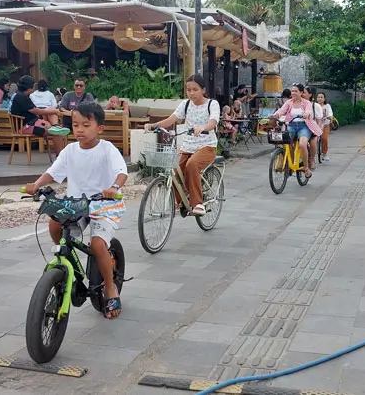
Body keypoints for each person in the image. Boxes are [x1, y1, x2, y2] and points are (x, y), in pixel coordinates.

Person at [24, 102, 127, 319]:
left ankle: (110, 287)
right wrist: (36, 184)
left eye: (86, 125)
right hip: (77, 205)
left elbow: (121, 172)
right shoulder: (70, 151)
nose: (79, 130)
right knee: (54, 225)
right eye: (76, 125)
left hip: (104, 204)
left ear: (100, 128)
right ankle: (66, 260)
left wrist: (114, 188)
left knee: (97, 244)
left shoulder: (107, 149)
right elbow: (52, 173)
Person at [145, 74, 219, 216]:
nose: (191, 93)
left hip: (207, 146)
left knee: (192, 165)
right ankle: (179, 201)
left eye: (195, 89)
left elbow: (213, 122)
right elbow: (171, 120)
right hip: (188, 146)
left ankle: (197, 203)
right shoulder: (185, 104)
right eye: (188, 89)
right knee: (175, 169)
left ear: (203, 90)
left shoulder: (212, 104)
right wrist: (154, 126)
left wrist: (204, 128)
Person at [269, 84, 322, 178]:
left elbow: (309, 111)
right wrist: (275, 115)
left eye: (295, 91)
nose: (293, 93)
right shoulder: (289, 102)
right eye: (292, 91)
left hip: (304, 126)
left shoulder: (306, 103)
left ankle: (306, 168)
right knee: (286, 142)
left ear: (301, 92)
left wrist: (306, 114)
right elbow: (281, 111)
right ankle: (290, 164)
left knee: (302, 144)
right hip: (291, 125)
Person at [9, 75, 69, 155]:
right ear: (30, 87)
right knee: (56, 132)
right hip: (26, 126)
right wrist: (54, 112)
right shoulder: (21, 97)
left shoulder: (20, 95)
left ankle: (55, 125)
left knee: (50, 110)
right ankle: (61, 157)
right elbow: (37, 111)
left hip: (30, 122)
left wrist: (51, 111)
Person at [303, 86, 323, 169]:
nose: (302, 94)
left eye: (304, 92)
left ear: (310, 94)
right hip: (300, 127)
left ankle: (311, 159)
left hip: (312, 129)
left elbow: (319, 120)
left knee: (313, 142)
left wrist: (317, 131)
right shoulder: (297, 103)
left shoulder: (315, 106)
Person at [316, 93, 333, 161]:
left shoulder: (327, 106)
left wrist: (329, 117)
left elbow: (330, 113)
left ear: (324, 99)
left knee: (324, 139)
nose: (320, 98)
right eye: (318, 97)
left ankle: (324, 154)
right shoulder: (314, 106)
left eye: (321, 97)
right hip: (316, 126)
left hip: (325, 125)